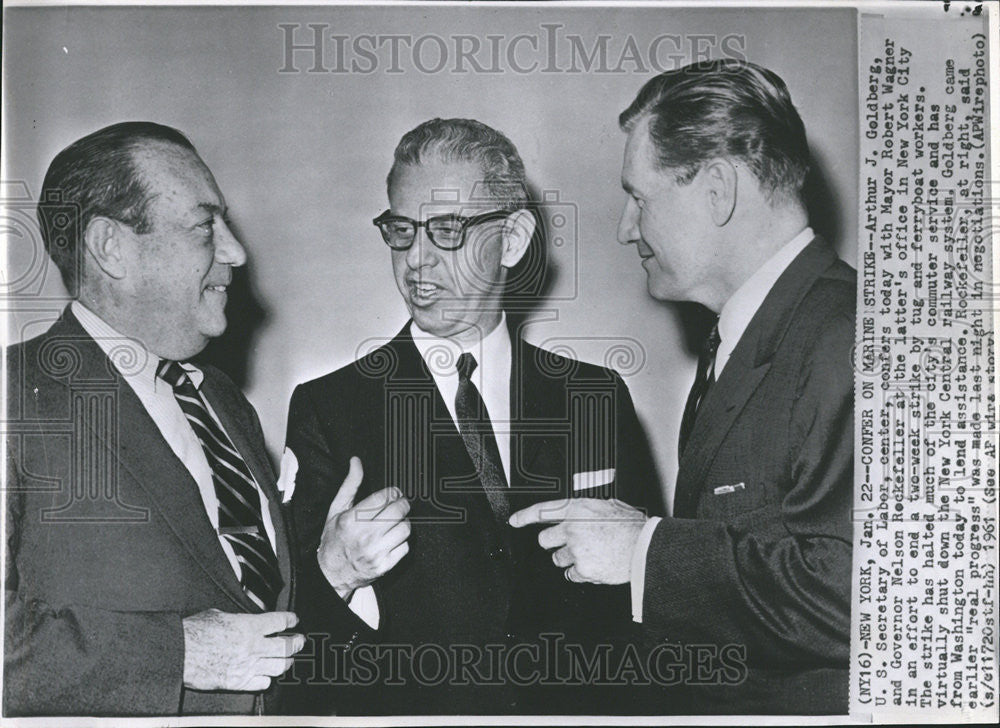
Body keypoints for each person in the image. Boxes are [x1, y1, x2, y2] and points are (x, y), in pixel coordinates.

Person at [282, 118, 662, 715]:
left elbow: (645, 617)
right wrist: (337, 574)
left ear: (513, 239)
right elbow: (298, 641)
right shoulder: (331, 409)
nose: (417, 261)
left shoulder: (596, 398)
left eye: (447, 230)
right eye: (402, 231)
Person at [510, 59, 855, 715]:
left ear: (718, 189)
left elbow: (854, 595)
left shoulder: (842, 337)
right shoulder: (743, 340)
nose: (626, 227)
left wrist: (643, 549)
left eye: (639, 198)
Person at [4, 121, 304, 716]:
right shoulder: (14, 398)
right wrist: (176, 654)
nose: (236, 252)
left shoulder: (221, 401)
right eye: (203, 226)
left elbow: (248, 601)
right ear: (111, 247)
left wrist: (335, 568)